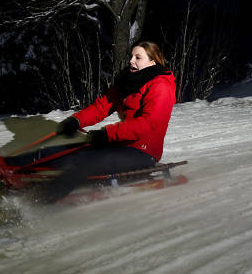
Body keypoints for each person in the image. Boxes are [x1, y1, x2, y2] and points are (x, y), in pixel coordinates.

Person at [21, 41, 176, 203]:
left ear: (153, 62)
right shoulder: (129, 82)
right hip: (119, 144)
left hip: (141, 151)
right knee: (58, 152)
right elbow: (101, 107)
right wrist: (76, 121)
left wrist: (107, 134)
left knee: (82, 162)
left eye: (138, 57)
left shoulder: (161, 86)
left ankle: (35, 203)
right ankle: (3, 170)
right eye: (131, 56)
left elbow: (148, 123)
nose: (131, 61)